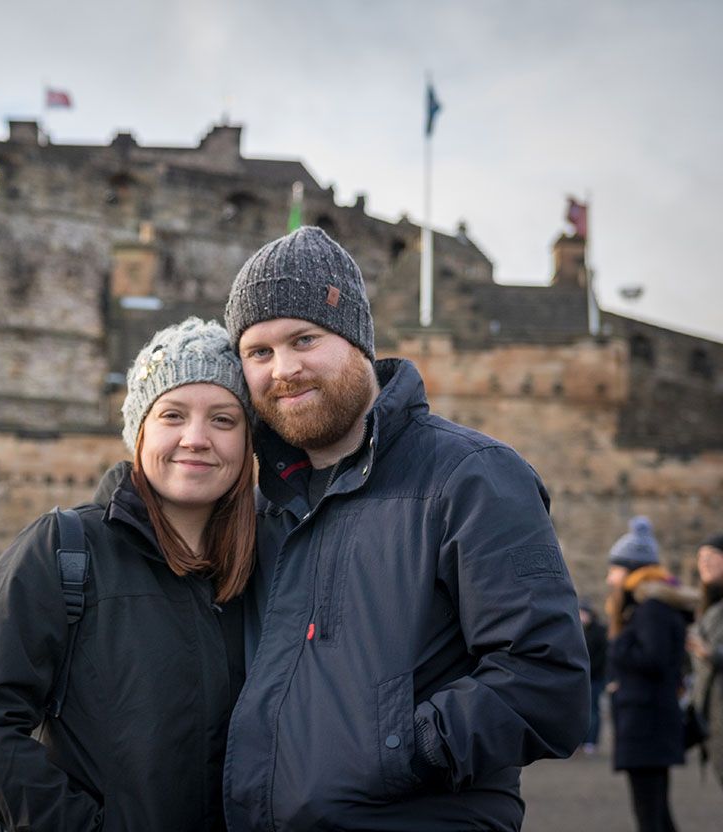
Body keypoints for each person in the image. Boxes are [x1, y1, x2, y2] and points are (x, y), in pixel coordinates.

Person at [221, 227, 591, 831]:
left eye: (304, 339)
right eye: (258, 352)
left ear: (358, 343)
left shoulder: (473, 476)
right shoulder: (260, 502)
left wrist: (397, 749)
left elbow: (547, 680)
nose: (282, 369)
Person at [0, 317, 254, 831]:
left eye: (223, 420)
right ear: (140, 431)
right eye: (173, 415)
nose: (196, 438)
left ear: (247, 441)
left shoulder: (269, 566)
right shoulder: (60, 550)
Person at [605, 516, 696, 832]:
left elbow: (654, 659)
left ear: (632, 571)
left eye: (615, 569)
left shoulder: (651, 610)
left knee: (650, 814)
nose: (610, 578)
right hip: (648, 721)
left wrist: (618, 649)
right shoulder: (650, 608)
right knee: (656, 812)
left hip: (647, 724)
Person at [687, 532, 723, 788]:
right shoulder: (707, 607)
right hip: (712, 716)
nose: (705, 563)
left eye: (712, 557)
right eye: (701, 558)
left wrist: (710, 654)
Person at [580, 599, 609, 754]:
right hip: (582, 678)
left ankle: (591, 742)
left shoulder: (599, 631)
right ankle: (581, 741)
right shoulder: (578, 630)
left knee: (593, 711)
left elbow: (602, 656)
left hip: (595, 677)